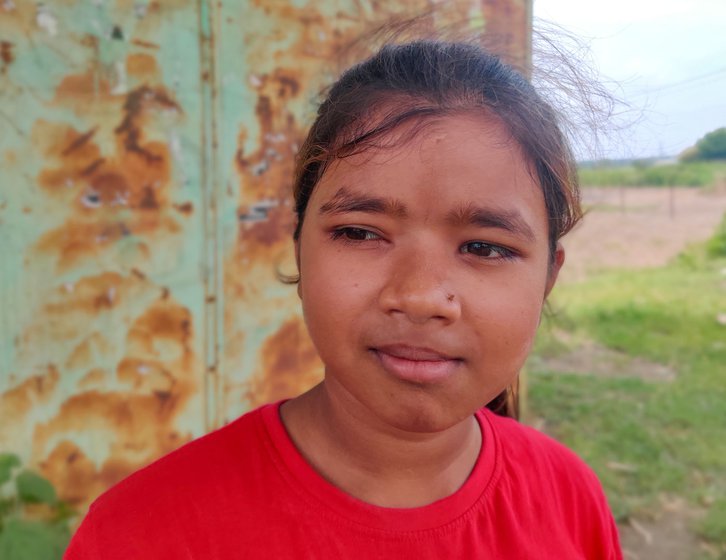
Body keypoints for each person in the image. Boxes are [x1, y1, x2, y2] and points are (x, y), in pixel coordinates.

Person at [64, 40, 622, 559]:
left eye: (484, 246)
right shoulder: (142, 532)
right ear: (300, 251)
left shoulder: (570, 500)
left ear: (549, 276)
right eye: (360, 232)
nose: (421, 297)